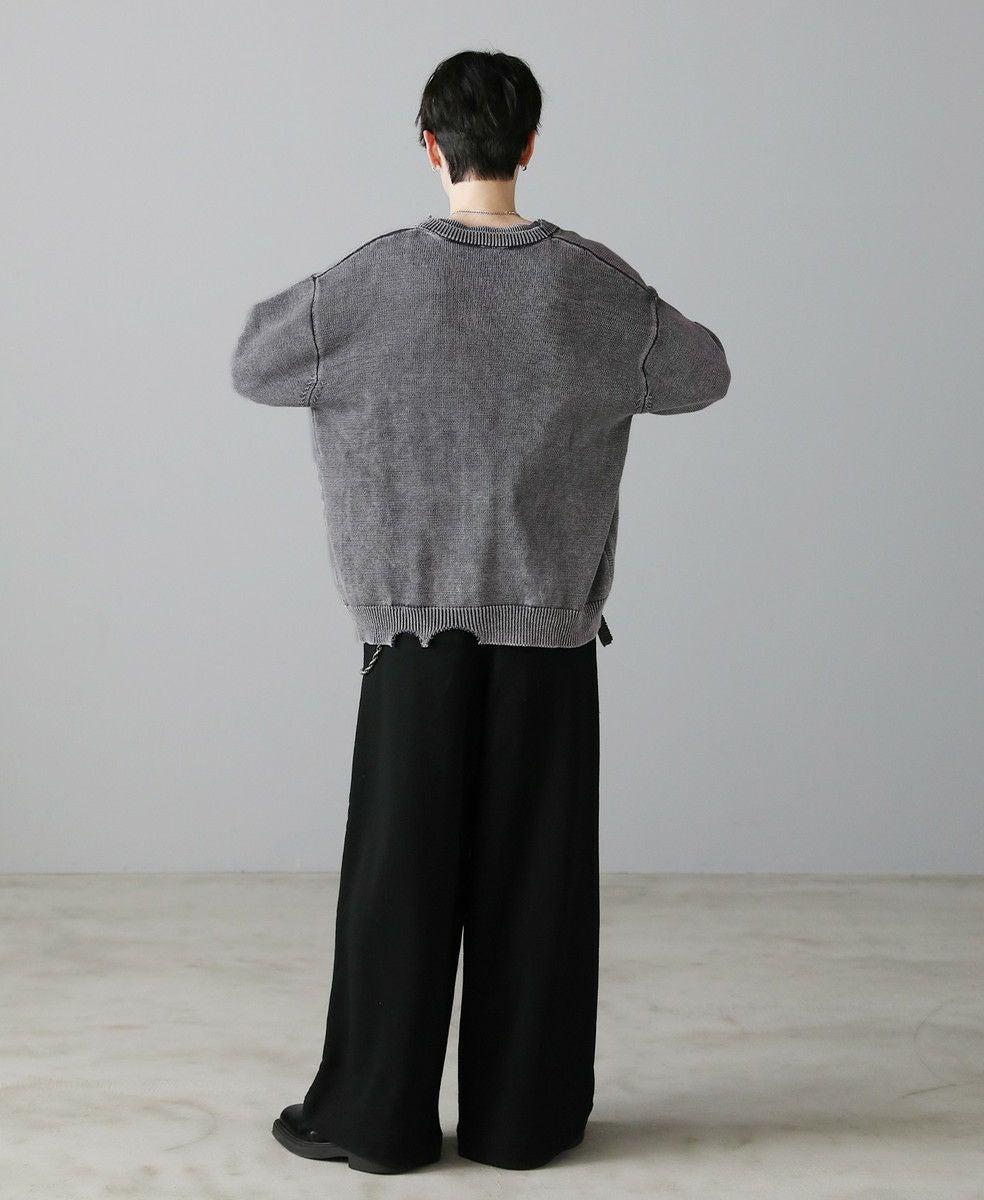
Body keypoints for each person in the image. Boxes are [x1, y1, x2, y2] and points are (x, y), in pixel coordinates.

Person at [230, 48, 731, 1175]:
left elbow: (255, 361)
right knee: (537, 888)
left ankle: (373, 1119)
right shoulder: (592, 285)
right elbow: (701, 372)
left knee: (397, 884)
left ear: (429, 144)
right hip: (547, 634)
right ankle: (524, 1122)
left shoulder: (370, 281)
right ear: (530, 144)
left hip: (408, 636)